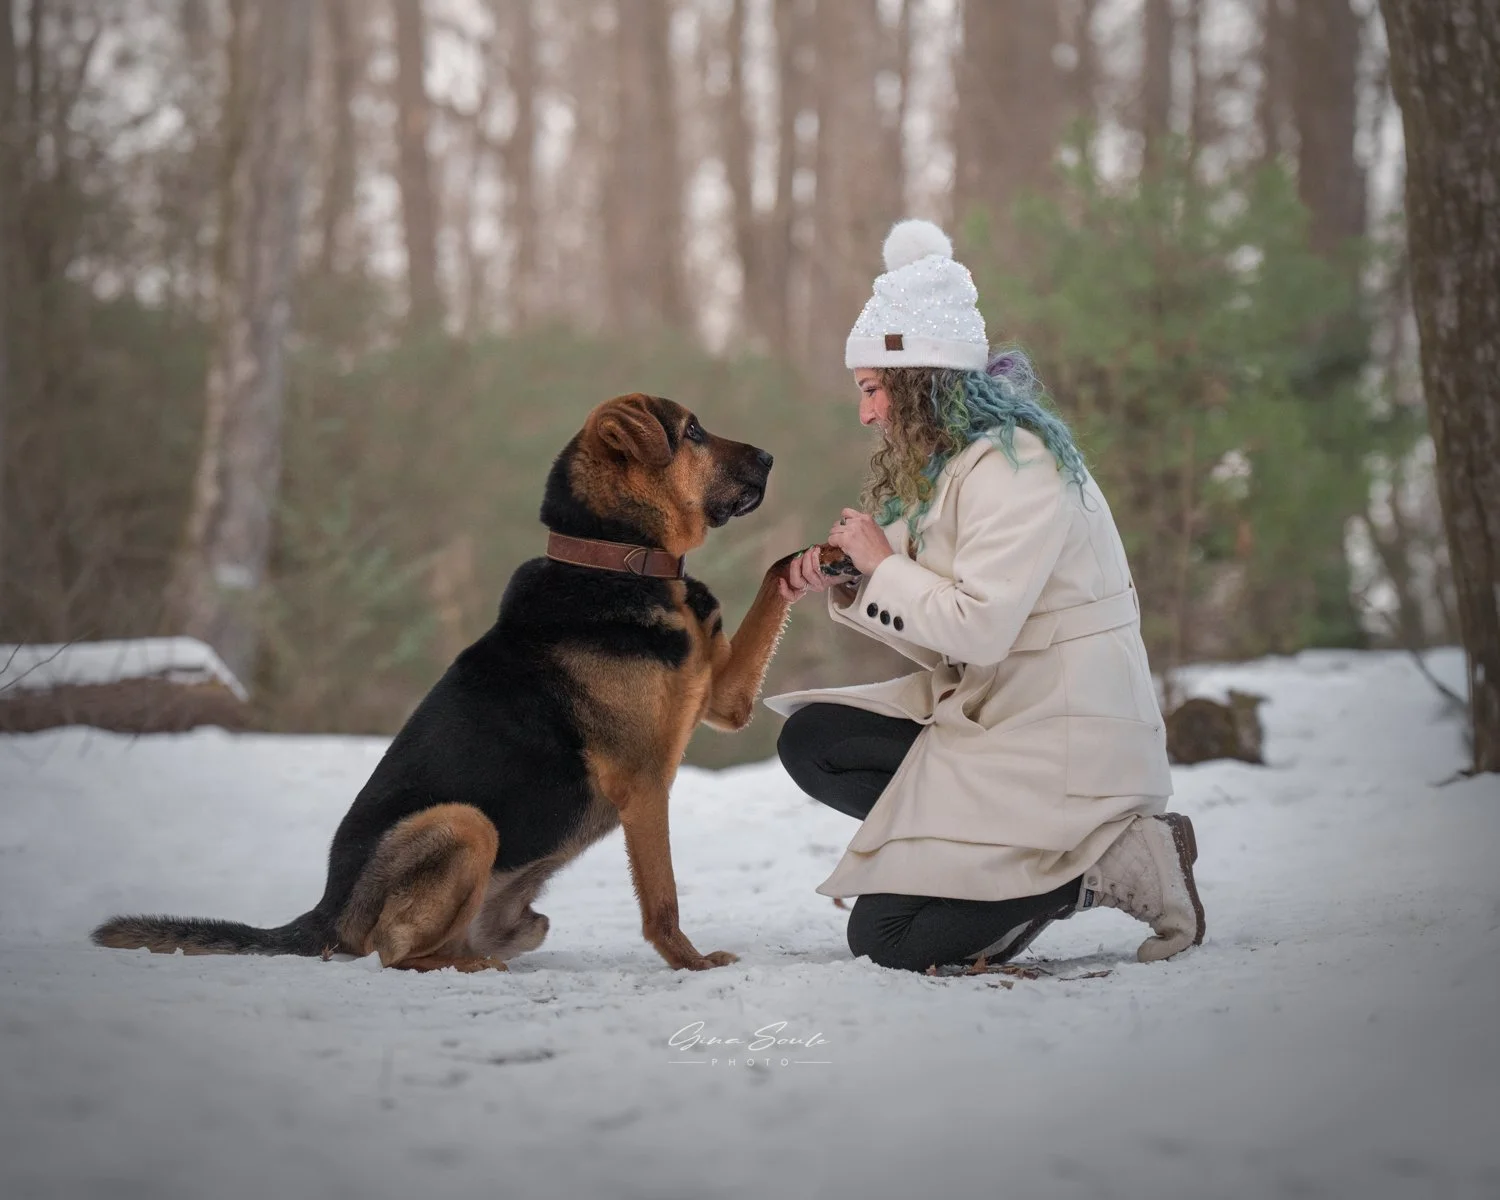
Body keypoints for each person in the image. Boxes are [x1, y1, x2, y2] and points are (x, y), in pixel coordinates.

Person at [762, 219, 1205, 974]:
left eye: (872, 390)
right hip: (1000, 723)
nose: (866, 413)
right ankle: (985, 877)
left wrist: (883, 564)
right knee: (816, 743)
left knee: (887, 941)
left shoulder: (1018, 464)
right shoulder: (958, 465)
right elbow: (947, 630)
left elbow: (979, 630)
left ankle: (1111, 860)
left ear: (918, 381)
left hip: (1059, 745)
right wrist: (858, 576)